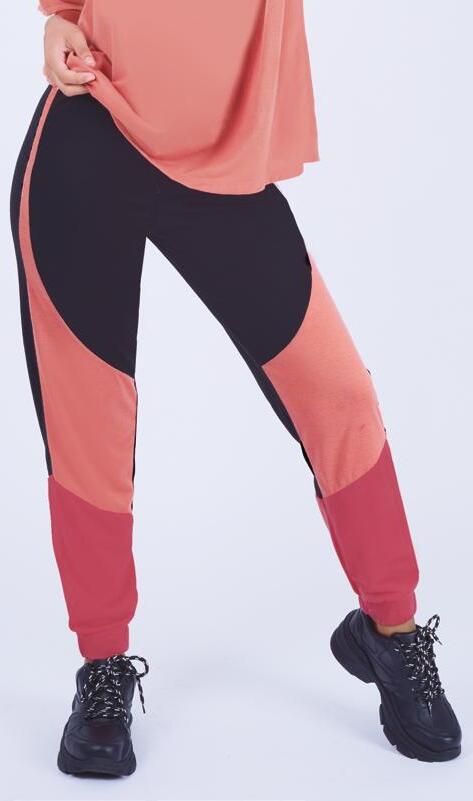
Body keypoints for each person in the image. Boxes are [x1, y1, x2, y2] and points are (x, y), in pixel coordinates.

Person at [10, 0, 461, 777]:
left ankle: (390, 631)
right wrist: (59, 15)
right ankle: (103, 665)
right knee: (89, 422)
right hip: (87, 136)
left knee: (338, 397)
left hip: (219, 162)